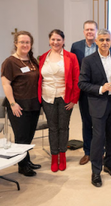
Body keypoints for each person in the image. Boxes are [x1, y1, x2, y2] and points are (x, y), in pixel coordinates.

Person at [78, 29, 111, 188]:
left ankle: (109, 164)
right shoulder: (88, 60)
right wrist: (100, 88)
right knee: (98, 139)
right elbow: (82, 83)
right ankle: (96, 171)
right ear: (96, 41)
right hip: (98, 104)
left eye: (108, 40)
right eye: (102, 40)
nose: (105, 43)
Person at [38, 29, 80, 172]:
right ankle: (53, 156)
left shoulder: (71, 57)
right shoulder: (43, 57)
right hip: (47, 97)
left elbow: (76, 79)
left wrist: (74, 99)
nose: (55, 42)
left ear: (63, 41)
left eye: (58, 40)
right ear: (49, 41)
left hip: (65, 97)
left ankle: (62, 156)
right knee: (52, 128)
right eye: (53, 39)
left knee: (63, 127)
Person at [1, 31, 41, 177]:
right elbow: (6, 84)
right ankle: (22, 166)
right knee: (21, 137)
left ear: (31, 45)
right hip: (18, 105)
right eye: (22, 42)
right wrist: (12, 104)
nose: (25, 45)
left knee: (29, 136)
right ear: (16, 43)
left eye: (27, 42)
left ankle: (27, 160)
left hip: (33, 104)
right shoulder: (10, 62)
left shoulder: (32, 61)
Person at [70, 20, 98, 165]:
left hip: (100, 90)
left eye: (92, 30)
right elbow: (73, 68)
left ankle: (99, 151)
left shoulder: (103, 45)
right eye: (87, 29)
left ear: (96, 31)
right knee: (86, 122)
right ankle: (87, 152)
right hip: (84, 91)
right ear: (83, 31)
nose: (89, 32)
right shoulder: (76, 46)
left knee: (99, 122)